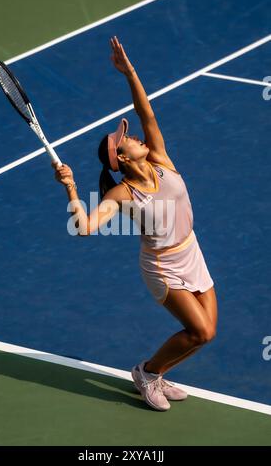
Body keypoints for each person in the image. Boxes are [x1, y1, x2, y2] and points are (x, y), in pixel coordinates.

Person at [53, 36, 218, 412]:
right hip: (163, 267)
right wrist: (71, 187)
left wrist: (129, 72)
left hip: (192, 252)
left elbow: (148, 114)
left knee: (205, 335)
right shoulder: (123, 195)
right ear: (122, 159)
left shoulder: (160, 158)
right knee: (201, 331)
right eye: (126, 140)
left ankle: (154, 373)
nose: (136, 137)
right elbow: (84, 227)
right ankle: (146, 372)